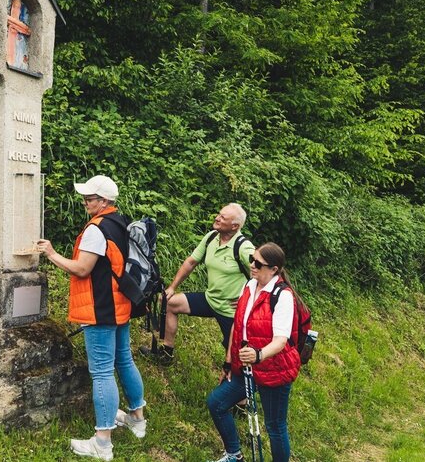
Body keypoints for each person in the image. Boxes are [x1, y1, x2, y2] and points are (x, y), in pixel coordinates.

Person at [37, 175, 147, 461]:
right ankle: (137, 418)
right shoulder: (119, 221)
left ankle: (102, 441)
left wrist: (51, 254)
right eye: (85, 198)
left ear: (104, 201)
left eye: (90, 198)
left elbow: (82, 268)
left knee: (101, 371)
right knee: (123, 359)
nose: (85, 202)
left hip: (100, 308)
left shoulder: (97, 229)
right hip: (120, 303)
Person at [206, 242, 302, 462]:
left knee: (275, 426)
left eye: (258, 263)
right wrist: (229, 361)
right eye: (252, 259)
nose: (252, 265)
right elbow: (237, 325)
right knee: (217, 403)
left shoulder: (283, 296)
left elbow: (281, 340)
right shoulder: (249, 285)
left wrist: (258, 354)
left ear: (274, 269)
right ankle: (234, 455)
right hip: (245, 367)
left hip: (274, 369)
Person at [142, 203, 255, 365]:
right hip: (210, 300)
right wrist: (172, 288)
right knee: (171, 303)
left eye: (223, 217)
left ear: (235, 226)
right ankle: (166, 353)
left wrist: (249, 299)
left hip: (231, 310)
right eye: (219, 214)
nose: (217, 218)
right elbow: (191, 262)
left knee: (235, 354)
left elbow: (264, 273)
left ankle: (234, 379)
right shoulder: (211, 237)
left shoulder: (244, 247)